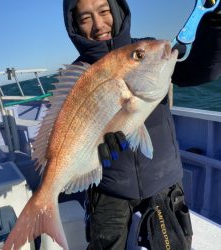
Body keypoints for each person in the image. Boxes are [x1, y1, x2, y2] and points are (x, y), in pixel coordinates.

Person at [62, 0, 221, 249]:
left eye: (104, 11)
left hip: (162, 180)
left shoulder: (147, 50)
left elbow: (199, 72)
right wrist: (91, 153)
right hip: (108, 186)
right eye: (85, 18)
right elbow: (69, 138)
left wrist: (214, 28)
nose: (98, 24)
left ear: (117, 9)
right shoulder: (77, 78)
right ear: (74, 25)